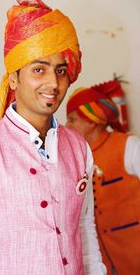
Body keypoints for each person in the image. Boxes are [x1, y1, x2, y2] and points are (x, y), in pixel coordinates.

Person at [0, 0, 106, 275]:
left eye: (61, 70)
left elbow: (83, 226)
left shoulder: (80, 148)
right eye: (38, 70)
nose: (53, 83)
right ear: (13, 79)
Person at [66, 79, 140, 275]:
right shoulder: (76, 159)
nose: (67, 125)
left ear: (91, 119)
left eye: (73, 119)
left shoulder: (128, 146)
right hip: (103, 264)